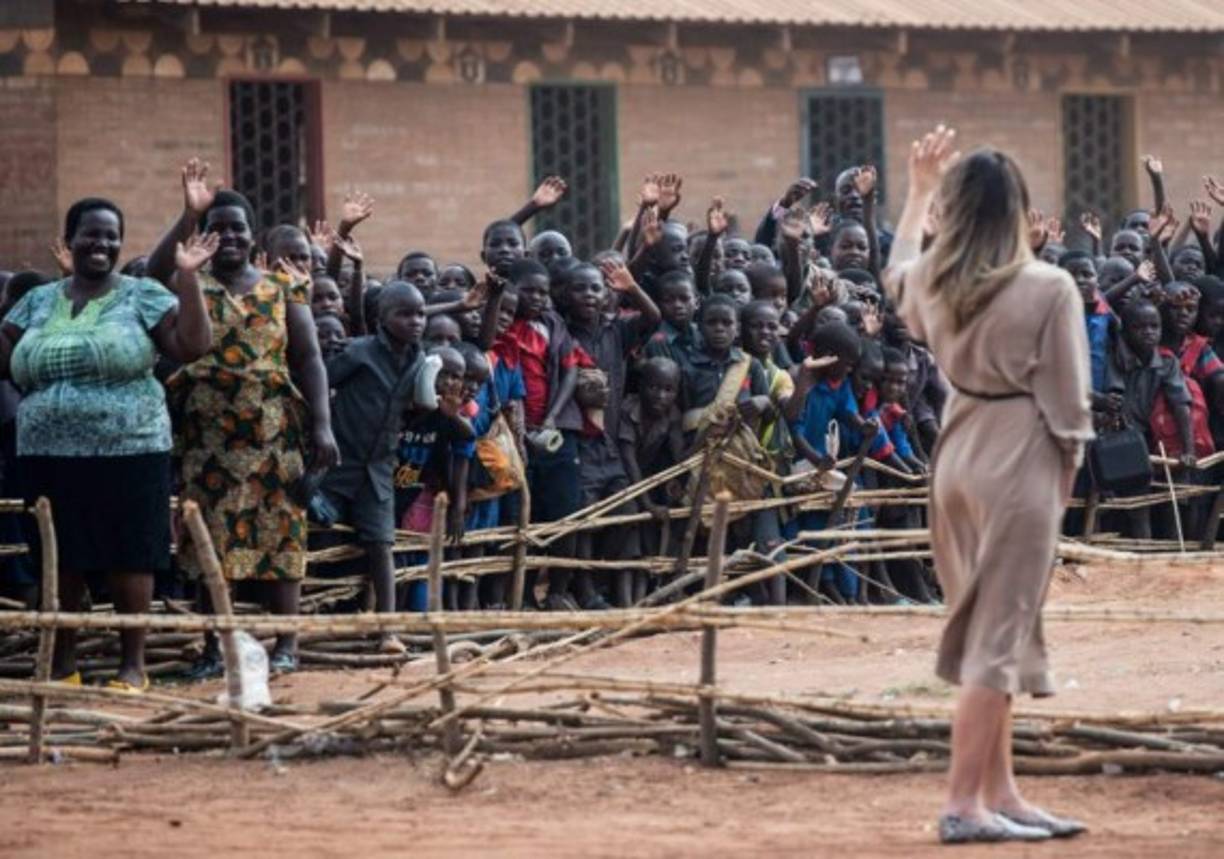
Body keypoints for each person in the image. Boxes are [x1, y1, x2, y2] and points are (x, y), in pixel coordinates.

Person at [883, 127, 1091, 843]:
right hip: (1019, 458)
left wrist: (914, 191)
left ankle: (1001, 789)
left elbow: (897, 268)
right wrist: (1060, 486)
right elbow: (1070, 409)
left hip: (956, 452)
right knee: (996, 636)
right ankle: (963, 802)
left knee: (999, 626)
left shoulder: (936, 279)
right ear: (1018, 211)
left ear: (957, 210)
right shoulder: (1048, 286)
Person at [0, 198, 213, 691]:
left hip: (130, 447)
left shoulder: (141, 295)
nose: (102, 244)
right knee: (60, 556)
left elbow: (192, 346)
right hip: (45, 452)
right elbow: (6, 357)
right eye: (91, 234)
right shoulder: (38, 300)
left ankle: (132, 666)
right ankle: (63, 665)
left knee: (129, 554)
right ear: (70, 240)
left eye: (111, 235)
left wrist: (189, 278)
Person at [149, 161, 339, 678]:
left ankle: (286, 645)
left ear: (252, 236)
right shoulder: (189, 283)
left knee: (280, 538)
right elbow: (152, 270)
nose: (228, 235)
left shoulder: (282, 288)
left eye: (237, 227)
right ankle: (215, 648)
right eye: (218, 226)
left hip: (273, 433)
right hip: (204, 439)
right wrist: (187, 214)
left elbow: (309, 359)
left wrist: (321, 425)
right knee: (207, 542)